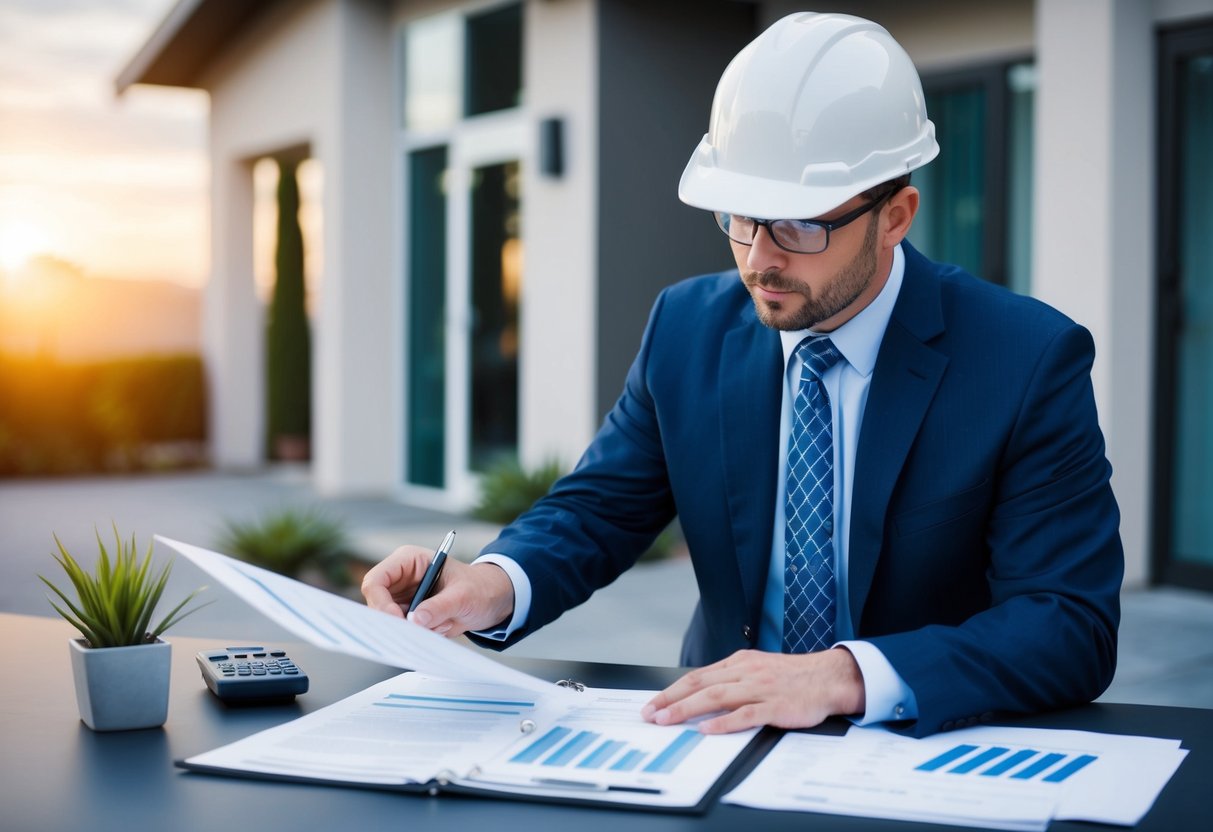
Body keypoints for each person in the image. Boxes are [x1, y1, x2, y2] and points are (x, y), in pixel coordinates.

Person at [363, 11, 1123, 739]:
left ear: (895, 216)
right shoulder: (686, 326)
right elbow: (599, 508)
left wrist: (842, 676)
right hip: (715, 731)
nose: (759, 258)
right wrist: (493, 585)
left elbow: (1067, 622)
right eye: (738, 216)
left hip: (921, 749)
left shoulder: (1024, 359)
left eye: (798, 224)